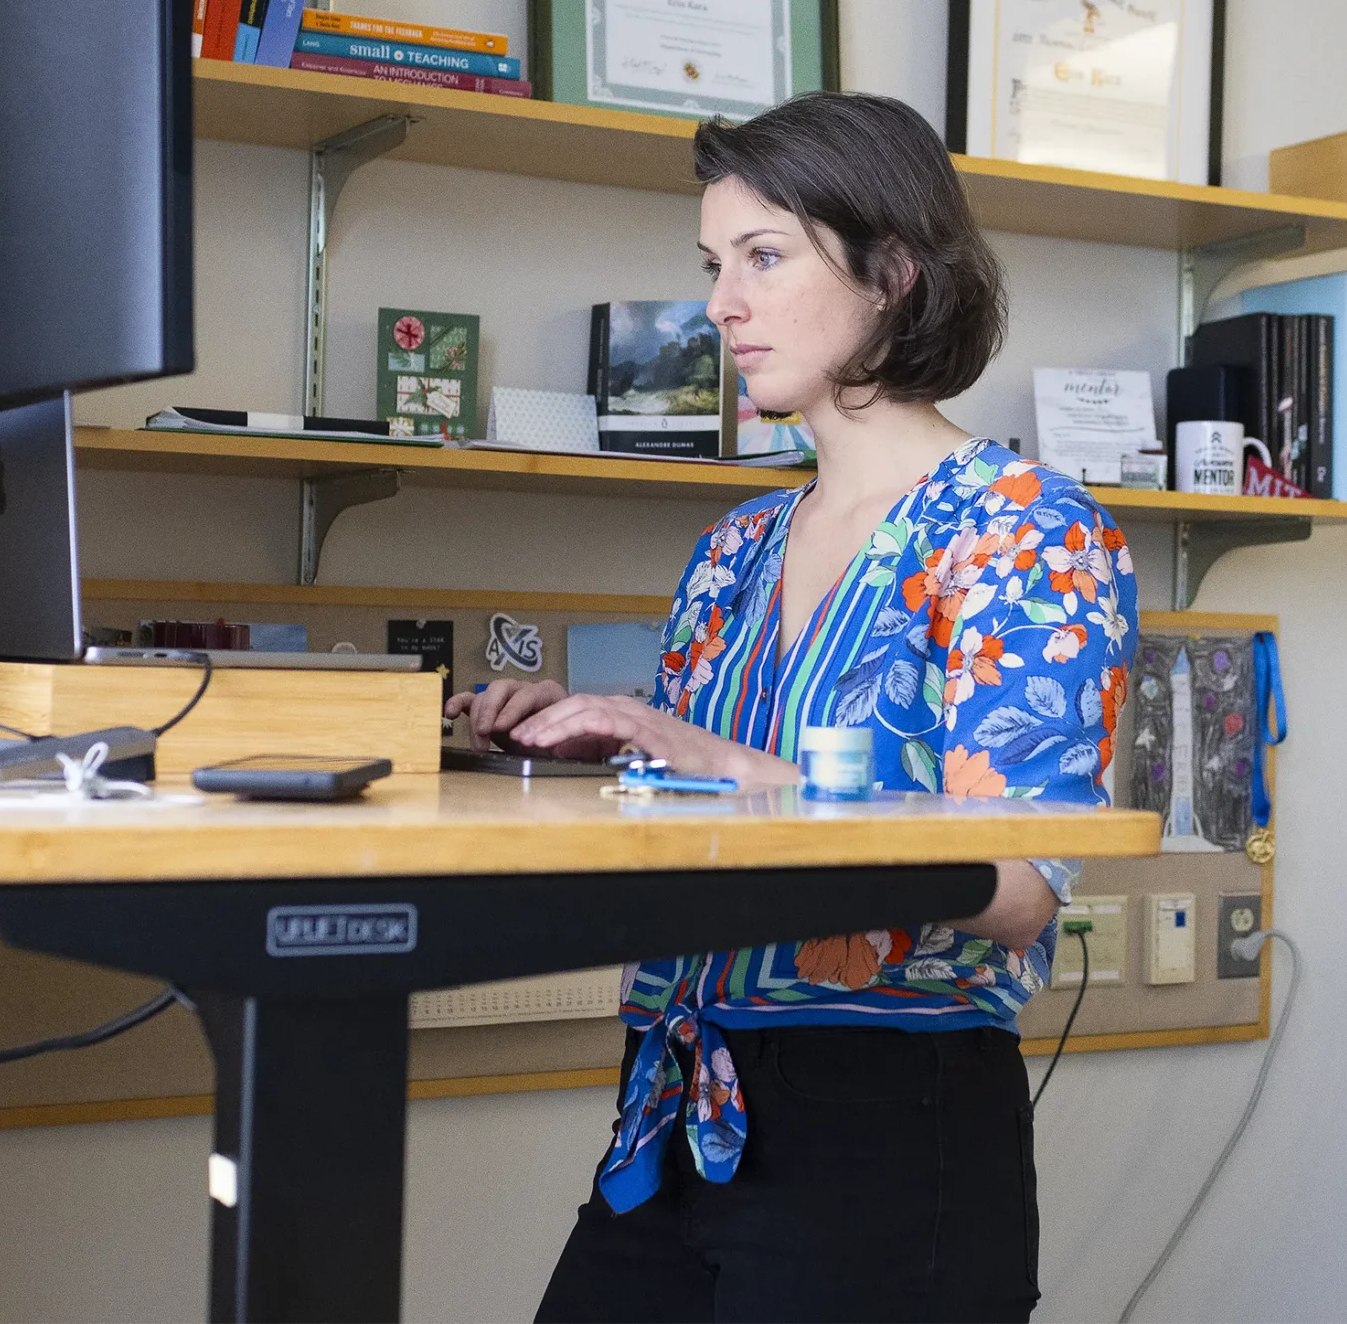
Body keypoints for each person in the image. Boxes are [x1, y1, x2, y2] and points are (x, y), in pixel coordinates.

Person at [449, 91, 1138, 1323]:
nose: (721, 302)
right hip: (670, 1108)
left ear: (894, 272)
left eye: (763, 257)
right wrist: (573, 741)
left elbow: (1022, 886)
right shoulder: (734, 548)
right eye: (715, 265)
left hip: (885, 1127)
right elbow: (698, 814)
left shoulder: (1025, 531)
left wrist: (721, 756)